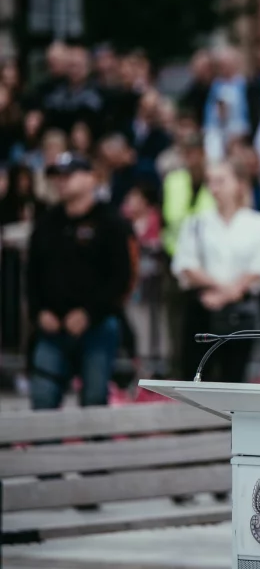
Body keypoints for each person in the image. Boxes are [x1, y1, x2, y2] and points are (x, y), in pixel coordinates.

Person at [26, 153, 131, 409]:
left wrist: (89, 313)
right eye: (57, 177)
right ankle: (45, 449)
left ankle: (94, 450)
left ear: (90, 178)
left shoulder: (110, 222)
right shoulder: (47, 223)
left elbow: (121, 277)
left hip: (96, 325)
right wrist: (39, 312)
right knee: (42, 398)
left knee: (94, 398)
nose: (62, 182)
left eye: (68, 176)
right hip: (51, 326)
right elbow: (31, 275)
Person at [172, 159, 260, 383]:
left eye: (221, 181)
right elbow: (185, 265)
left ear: (239, 184)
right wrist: (221, 289)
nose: (214, 188)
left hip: (239, 312)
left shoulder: (259, 224)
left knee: (234, 377)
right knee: (197, 375)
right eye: (210, 181)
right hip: (202, 306)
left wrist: (227, 294)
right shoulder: (196, 222)